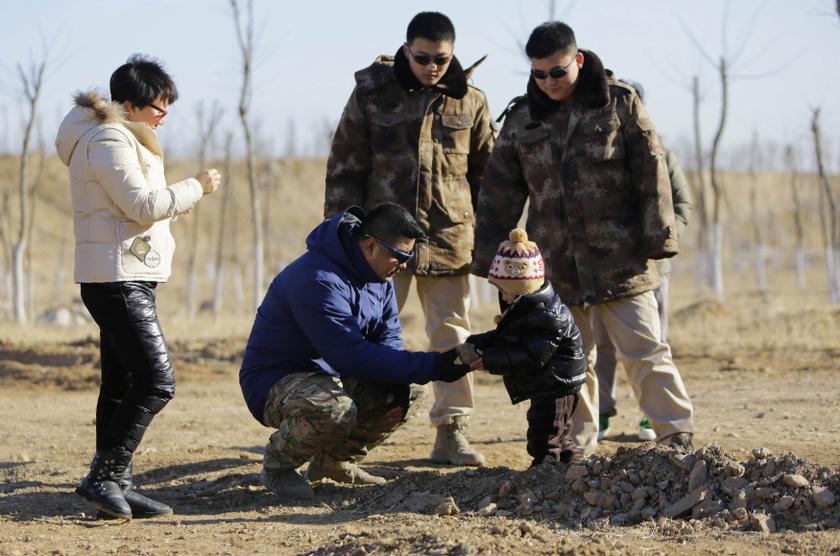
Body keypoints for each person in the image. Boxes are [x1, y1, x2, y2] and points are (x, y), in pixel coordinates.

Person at [472, 22, 694, 456]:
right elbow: (498, 193)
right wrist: (490, 263)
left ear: (577, 59)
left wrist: (658, 240)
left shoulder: (620, 103)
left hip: (622, 262)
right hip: (556, 266)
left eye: (557, 72)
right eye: (539, 74)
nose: (548, 82)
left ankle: (676, 440)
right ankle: (577, 450)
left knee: (646, 352)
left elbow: (653, 174)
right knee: (571, 362)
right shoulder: (522, 119)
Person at [324, 11, 495, 467]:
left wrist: (493, 239)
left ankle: (452, 430)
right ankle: (350, 432)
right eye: (422, 58)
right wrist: (340, 234)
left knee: (451, 333)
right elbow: (345, 164)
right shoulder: (372, 93)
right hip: (381, 241)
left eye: (440, 59)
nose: (432, 67)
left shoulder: (471, 102)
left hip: (448, 239)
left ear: (452, 54)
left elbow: (488, 177)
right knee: (366, 333)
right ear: (406, 50)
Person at [55, 54, 222, 519]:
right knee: (156, 380)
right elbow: (142, 206)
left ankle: (117, 481)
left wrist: (172, 204)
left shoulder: (115, 135)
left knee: (122, 380)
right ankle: (104, 477)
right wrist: (197, 187)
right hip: (118, 277)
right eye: (157, 107)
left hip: (124, 272)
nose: (163, 115)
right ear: (129, 104)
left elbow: (129, 209)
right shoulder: (110, 137)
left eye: (167, 106)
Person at [239, 203, 475, 501]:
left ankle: (335, 463)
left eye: (410, 256)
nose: (405, 265)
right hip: (275, 380)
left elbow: (387, 342)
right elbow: (350, 355)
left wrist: (403, 380)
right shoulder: (317, 279)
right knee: (333, 409)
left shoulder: (381, 279)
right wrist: (436, 364)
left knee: (409, 390)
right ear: (371, 246)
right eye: (400, 256)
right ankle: (277, 467)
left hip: (328, 377)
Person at [595, 80, 694, 442]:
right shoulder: (596, 153)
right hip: (603, 270)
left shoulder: (661, 153)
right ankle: (600, 413)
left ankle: (654, 420)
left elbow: (681, 206)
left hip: (652, 270)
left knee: (652, 344)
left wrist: (658, 238)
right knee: (600, 346)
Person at [458, 229, 587, 466]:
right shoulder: (527, 306)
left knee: (545, 438)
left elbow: (531, 355)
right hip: (549, 383)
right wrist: (479, 341)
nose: (504, 298)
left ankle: (545, 477)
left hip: (557, 385)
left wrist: (487, 360)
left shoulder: (547, 315)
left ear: (524, 287)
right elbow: (506, 337)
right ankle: (576, 469)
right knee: (558, 435)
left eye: (506, 292)